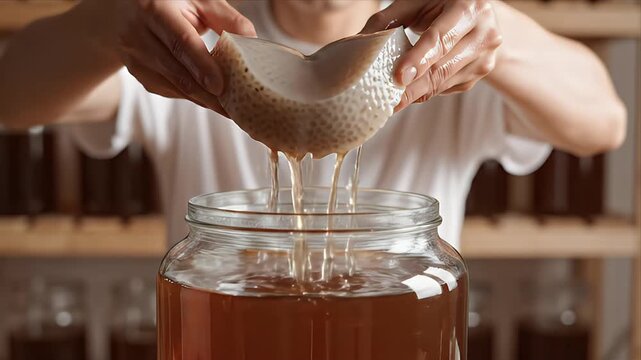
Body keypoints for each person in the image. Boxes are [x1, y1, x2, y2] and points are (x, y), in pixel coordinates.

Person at [0, 0, 626, 248]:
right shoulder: (197, 42)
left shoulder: (438, 49)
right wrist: (108, 22)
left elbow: (604, 122)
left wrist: (493, 30)